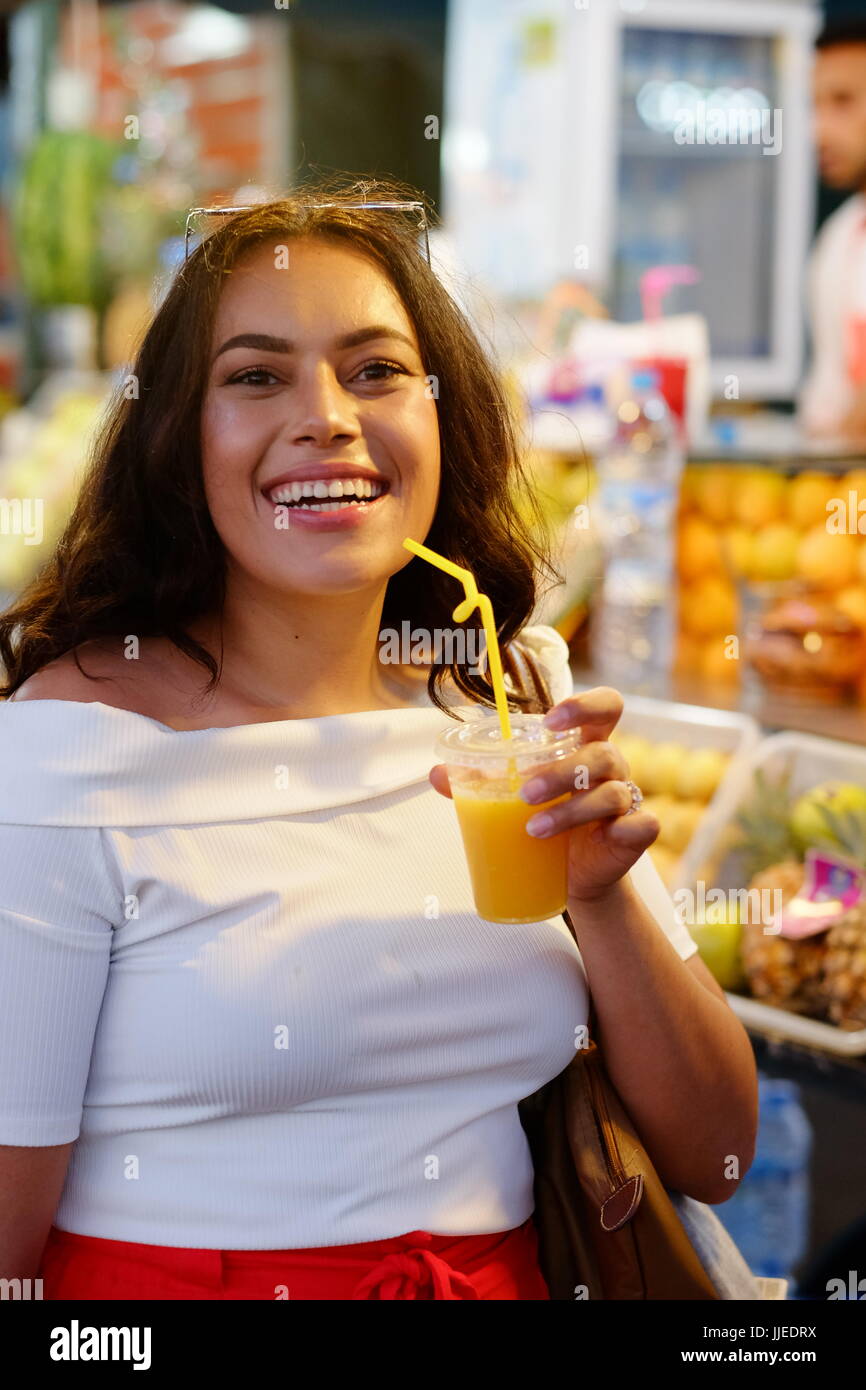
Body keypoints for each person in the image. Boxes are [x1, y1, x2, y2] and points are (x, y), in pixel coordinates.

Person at [0, 177, 758, 1301]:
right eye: (254, 376)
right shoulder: (72, 748)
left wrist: (601, 896)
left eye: (376, 370)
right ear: (175, 431)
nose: (328, 415)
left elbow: (717, 1151)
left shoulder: (504, 690)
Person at [800, 20, 866, 439]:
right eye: (815, 105)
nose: (818, 131)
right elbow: (827, 405)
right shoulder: (840, 237)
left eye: (843, 101)